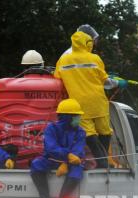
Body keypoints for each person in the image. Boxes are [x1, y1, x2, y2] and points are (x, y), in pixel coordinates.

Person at [54, 30, 127, 168]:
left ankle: (102, 163)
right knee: (104, 131)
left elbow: (57, 79)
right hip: (98, 102)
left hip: (79, 104)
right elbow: (105, 82)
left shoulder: (63, 60)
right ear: (87, 43)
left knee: (89, 133)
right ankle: (104, 161)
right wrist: (118, 82)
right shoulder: (95, 58)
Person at [30, 99, 86, 198]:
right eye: (76, 115)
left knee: (77, 170)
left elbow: (78, 150)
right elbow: (51, 148)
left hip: (71, 162)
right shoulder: (51, 128)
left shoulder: (80, 131)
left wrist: (66, 162)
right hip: (51, 159)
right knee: (36, 164)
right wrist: (67, 156)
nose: (79, 118)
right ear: (67, 116)